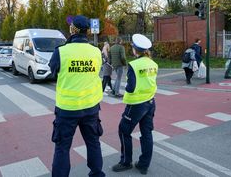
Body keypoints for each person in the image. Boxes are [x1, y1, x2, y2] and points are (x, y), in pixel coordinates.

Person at [49, 15, 105, 177]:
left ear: (73, 30)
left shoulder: (61, 51)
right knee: (93, 143)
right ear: (87, 31)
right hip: (91, 108)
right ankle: (97, 174)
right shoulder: (96, 52)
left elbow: (53, 71)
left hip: (67, 110)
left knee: (62, 148)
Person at [112, 34, 158, 175]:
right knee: (146, 133)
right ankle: (143, 165)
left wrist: (126, 89)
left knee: (123, 131)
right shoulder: (153, 63)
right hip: (150, 102)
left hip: (136, 104)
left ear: (135, 50)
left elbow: (131, 87)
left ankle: (126, 162)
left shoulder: (134, 65)